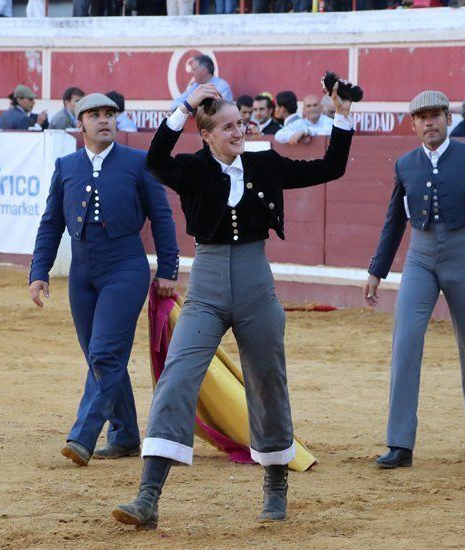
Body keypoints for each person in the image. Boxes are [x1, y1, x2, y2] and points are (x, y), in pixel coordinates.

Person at [112, 77, 356, 529]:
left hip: (255, 286)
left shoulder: (264, 162)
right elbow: (154, 159)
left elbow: (331, 168)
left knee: (267, 380)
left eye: (240, 123)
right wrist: (184, 106)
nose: (238, 131)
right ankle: (147, 497)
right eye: (226, 126)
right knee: (178, 376)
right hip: (205, 288)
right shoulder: (191, 168)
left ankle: (275, 486)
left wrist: (341, 113)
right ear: (206, 135)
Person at [365, 90, 465, 469]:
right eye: (422, 117)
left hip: (464, 254)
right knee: (405, 342)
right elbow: (393, 221)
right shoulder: (406, 164)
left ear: (448, 120)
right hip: (419, 257)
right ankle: (400, 443)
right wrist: (377, 269)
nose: (430, 122)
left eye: (436, 115)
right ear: (413, 124)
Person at [29, 93, 179, 467]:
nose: (104, 120)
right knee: (100, 359)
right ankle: (126, 434)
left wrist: (168, 270)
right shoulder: (66, 166)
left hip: (124, 267)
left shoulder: (138, 162)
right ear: (80, 125)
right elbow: (51, 223)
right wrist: (39, 271)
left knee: (104, 354)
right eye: (95, 115)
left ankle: (83, 435)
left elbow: (162, 218)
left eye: (110, 114)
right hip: (81, 273)